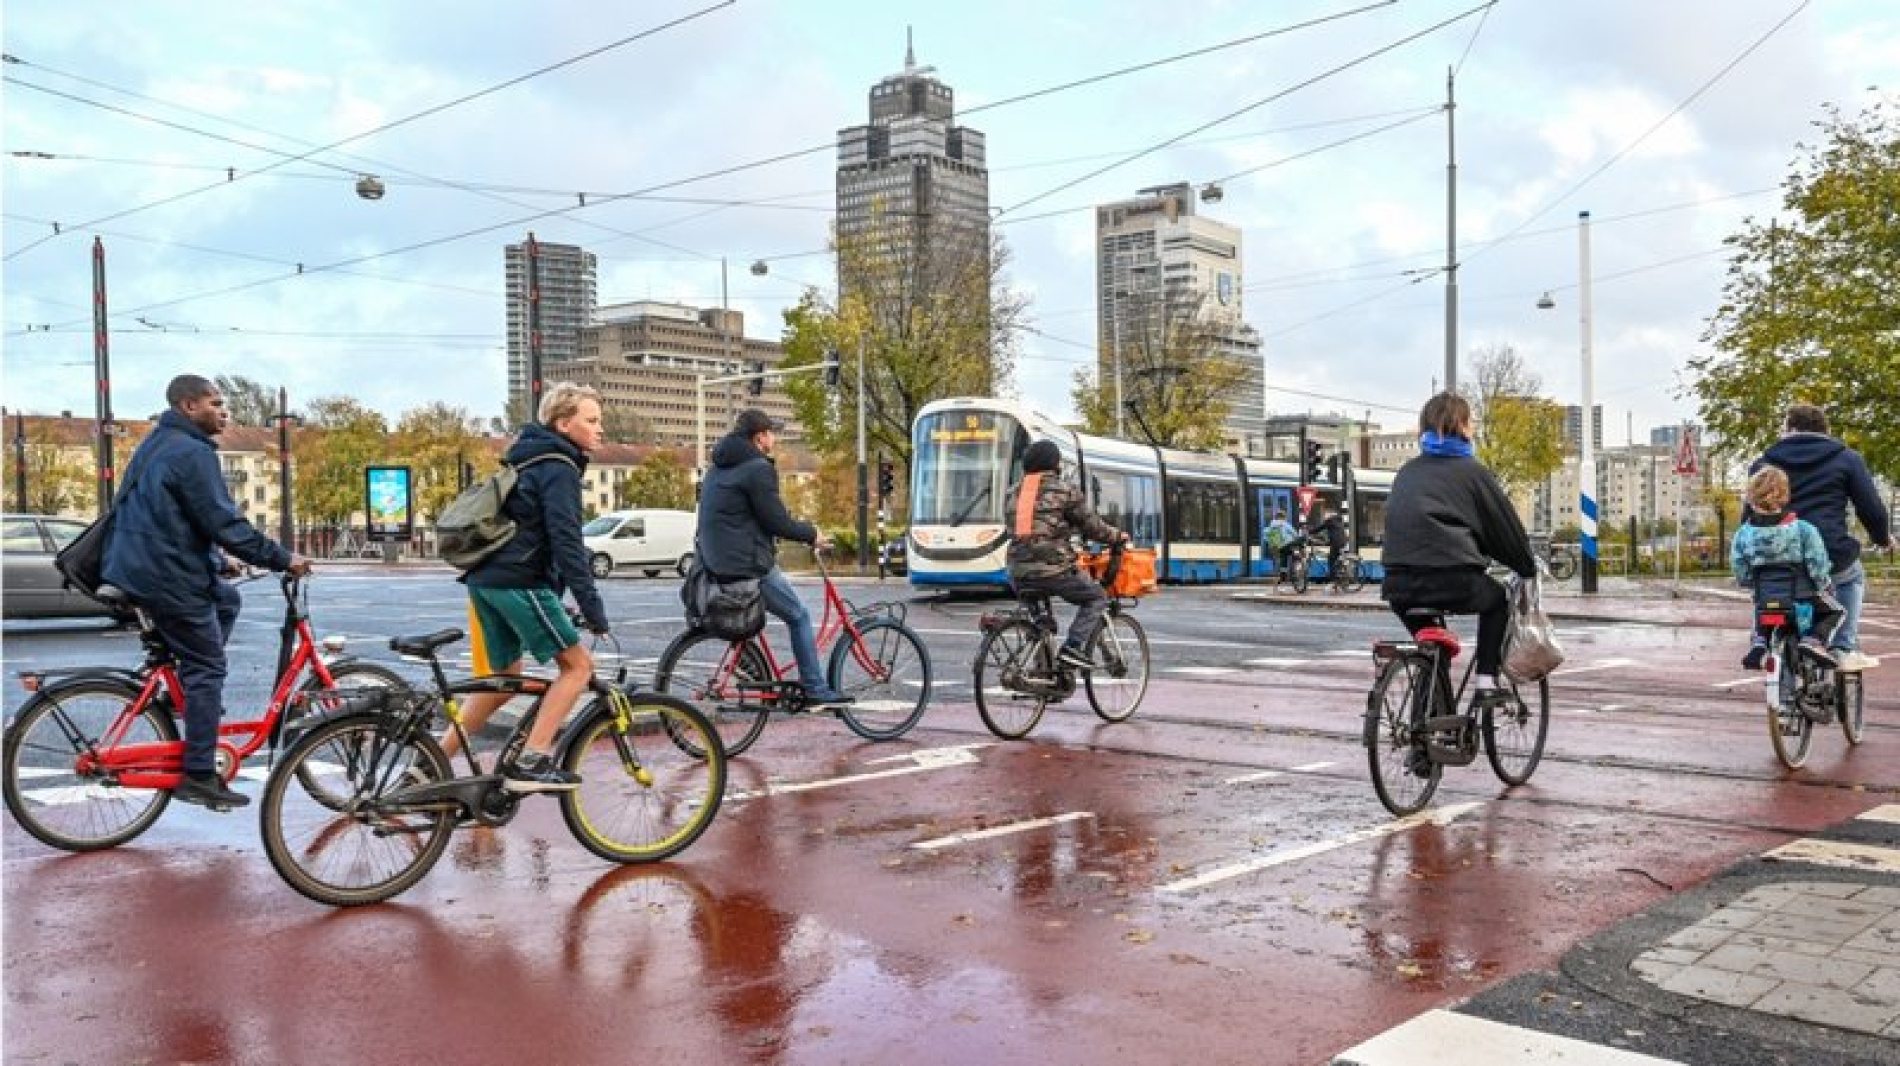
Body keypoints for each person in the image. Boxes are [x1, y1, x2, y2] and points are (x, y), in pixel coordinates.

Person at [101, 374, 312, 810]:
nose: (224, 412)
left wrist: (218, 562)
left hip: (140, 564)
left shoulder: (158, 444)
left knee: (227, 599)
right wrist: (280, 557)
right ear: (188, 406)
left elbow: (172, 519)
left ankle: (171, 689)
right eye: (215, 404)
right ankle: (199, 774)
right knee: (207, 666)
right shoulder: (191, 453)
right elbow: (221, 521)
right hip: (165, 575)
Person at [439, 382, 611, 791]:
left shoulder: (527, 459)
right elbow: (567, 543)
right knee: (578, 668)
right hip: (520, 582)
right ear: (564, 424)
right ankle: (531, 761)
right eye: (592, 420)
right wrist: (592, 608)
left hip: (486, 581)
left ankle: (429, 761)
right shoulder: (559, 467)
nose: (600, 429)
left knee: (502, 678)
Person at [1380, 392, 1537, 704]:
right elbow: (1504, 530)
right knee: (1497, 601)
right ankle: (1486, 682)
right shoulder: (1472, 472)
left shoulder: (1407, 472)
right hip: (1453, 580)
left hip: (1398, 586)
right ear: (1463, 426)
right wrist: (1526, 566)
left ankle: (1425, 738)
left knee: (1433, 651)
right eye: (1471, 421)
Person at [696, 408, 852, 708]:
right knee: (799, 616)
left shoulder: (717, 467)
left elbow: (746, 515)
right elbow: (775, 522)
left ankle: (751, 667)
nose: (774, 439)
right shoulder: (757, 468)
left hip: (716, 560)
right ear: (760, 437)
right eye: (771, 433)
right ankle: (815, 690)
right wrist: (811, 534)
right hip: (747, 563)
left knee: (754, 617)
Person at [1749, 404, 1891, 671]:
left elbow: (1751, 515)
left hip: (1775, 557)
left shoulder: (1763, 463)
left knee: (1767, 587)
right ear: (1826, 430)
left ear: (1788, 429)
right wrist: (1882, 539)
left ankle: (1761, 639)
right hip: (1831, 553)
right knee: (1852, 577)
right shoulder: (1847, 459)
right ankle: (1842, 646)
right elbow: (1871, 509)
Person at [1004, 439, 1129, 668]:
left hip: (1017, 572)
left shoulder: (1013, 493)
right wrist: (1117, 536)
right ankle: (1073, 647)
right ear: (1055, 464)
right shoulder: (1064, 490)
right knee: (1096, 597)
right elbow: (1093, 527)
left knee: (1043, 625)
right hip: (1054, 570)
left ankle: (1041, 675)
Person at [1731, 465, 1842, 669]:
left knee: (1762, 611)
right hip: (1802, 597)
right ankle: (1814, 642)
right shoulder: (1803, 529)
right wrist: (1823, 584)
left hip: (1767, 599)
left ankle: (1759, 643)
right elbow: (1817, 564)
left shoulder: (1743, 534)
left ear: (1751, 498)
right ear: (1784, 495)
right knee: (1835, 611)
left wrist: (1751, 583)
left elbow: (1740, 569)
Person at [1311, 508, 1347, 589]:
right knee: (1335, 560)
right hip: (1342, 542)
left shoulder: (1330, 521)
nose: (1325, 516)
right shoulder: (1338, 520)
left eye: (1326, 514)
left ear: (1330, 514)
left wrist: (1309, 532)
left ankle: (1333, 581)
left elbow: (1319, 528)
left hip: (1336, 543)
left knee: (1330, 560)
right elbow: (1334, 532)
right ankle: (1339, 576)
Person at [1265, 510, 1302, 584]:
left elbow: (1267, 537)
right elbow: (1294, 533)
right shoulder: (1285, 524)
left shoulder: (1271, 525)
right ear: (1283, 517)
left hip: (1279, 546)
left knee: (1283, 560)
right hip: (1289, 544)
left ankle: (1283, 577)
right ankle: (1297, 568)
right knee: (1296, 554)